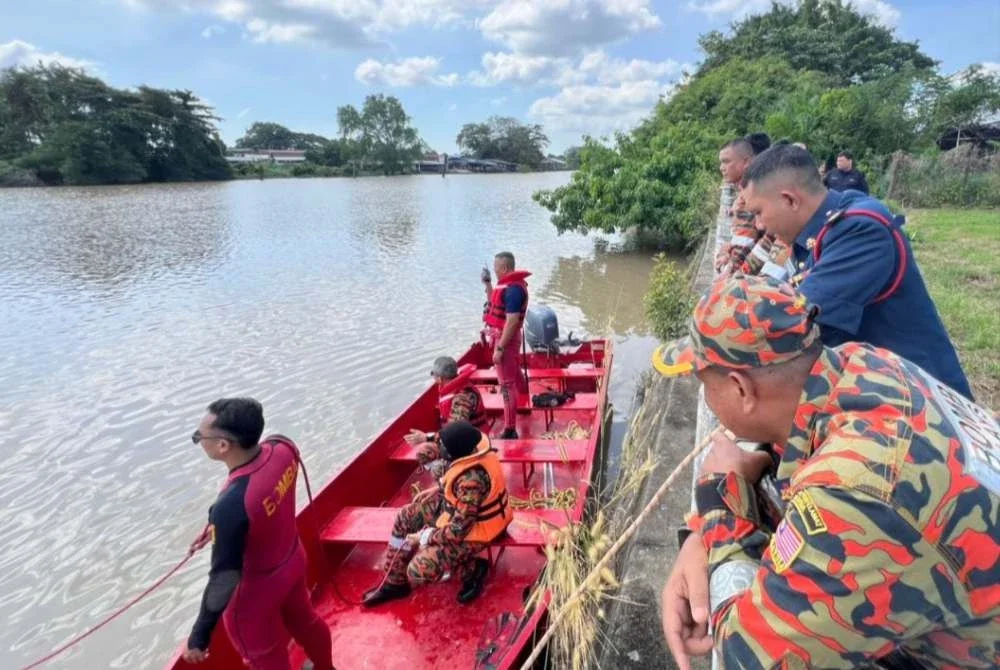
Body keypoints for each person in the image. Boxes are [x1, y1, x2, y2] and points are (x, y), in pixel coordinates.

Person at [656, 274, 1000, 669]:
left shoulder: (858, 490)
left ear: (741, 389)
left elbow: (746, 656)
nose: (707, 399)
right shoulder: (865, 364)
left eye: (705, 385)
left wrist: (717, 498)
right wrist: (702, 535)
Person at [739, 143, 972, 399]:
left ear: (789, 199)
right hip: (879, 386)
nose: (759, 225)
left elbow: (798, 325)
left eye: (758, 213)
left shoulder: (860, 230)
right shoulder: (816, 229)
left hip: (921, 404)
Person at [184, 398, 334, 670]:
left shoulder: (232, 506)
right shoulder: (283, 447)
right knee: (307, 622)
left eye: (199, 437)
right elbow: (261, 496)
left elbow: (224, 577)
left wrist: (199, 635)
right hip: (292, 560)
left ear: (223, 446)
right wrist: (216, 524)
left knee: (265, 657)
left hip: (256, 593)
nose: (199, 440)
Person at [362, 421, 513, 607]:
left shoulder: (470, 482)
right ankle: (395, 581)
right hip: (457, 514)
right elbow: (450, 456)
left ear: (452, 454)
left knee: (418, 570)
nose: (438, 448)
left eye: (442, 447)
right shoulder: (471, 447)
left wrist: (424, 537)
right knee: (405, 516)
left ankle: (473, 570)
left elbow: (458, 531)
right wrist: (437, 488)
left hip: (477, 529)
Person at [404, 356, 490, 478]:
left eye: (434, 376)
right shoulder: (456, 389)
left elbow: (456, 436)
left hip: (471, 445)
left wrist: (427, 437)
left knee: (431, 463)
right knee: (423, 452)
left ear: (439, 378)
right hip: (457, 440)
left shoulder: (461, 398)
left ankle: (446, 484)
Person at [481, 251, 530, 440]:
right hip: (503, 337)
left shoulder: (513, 290)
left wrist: (500, 348)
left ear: (505, 268)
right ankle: (525, 396)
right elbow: (494, 300)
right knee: (514, 371)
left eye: (496, 269)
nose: (494, 271)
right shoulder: (507, 286)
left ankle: (510, 429)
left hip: (506, 340)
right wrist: (487, 285)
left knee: (506, 385)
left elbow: (511, 321)